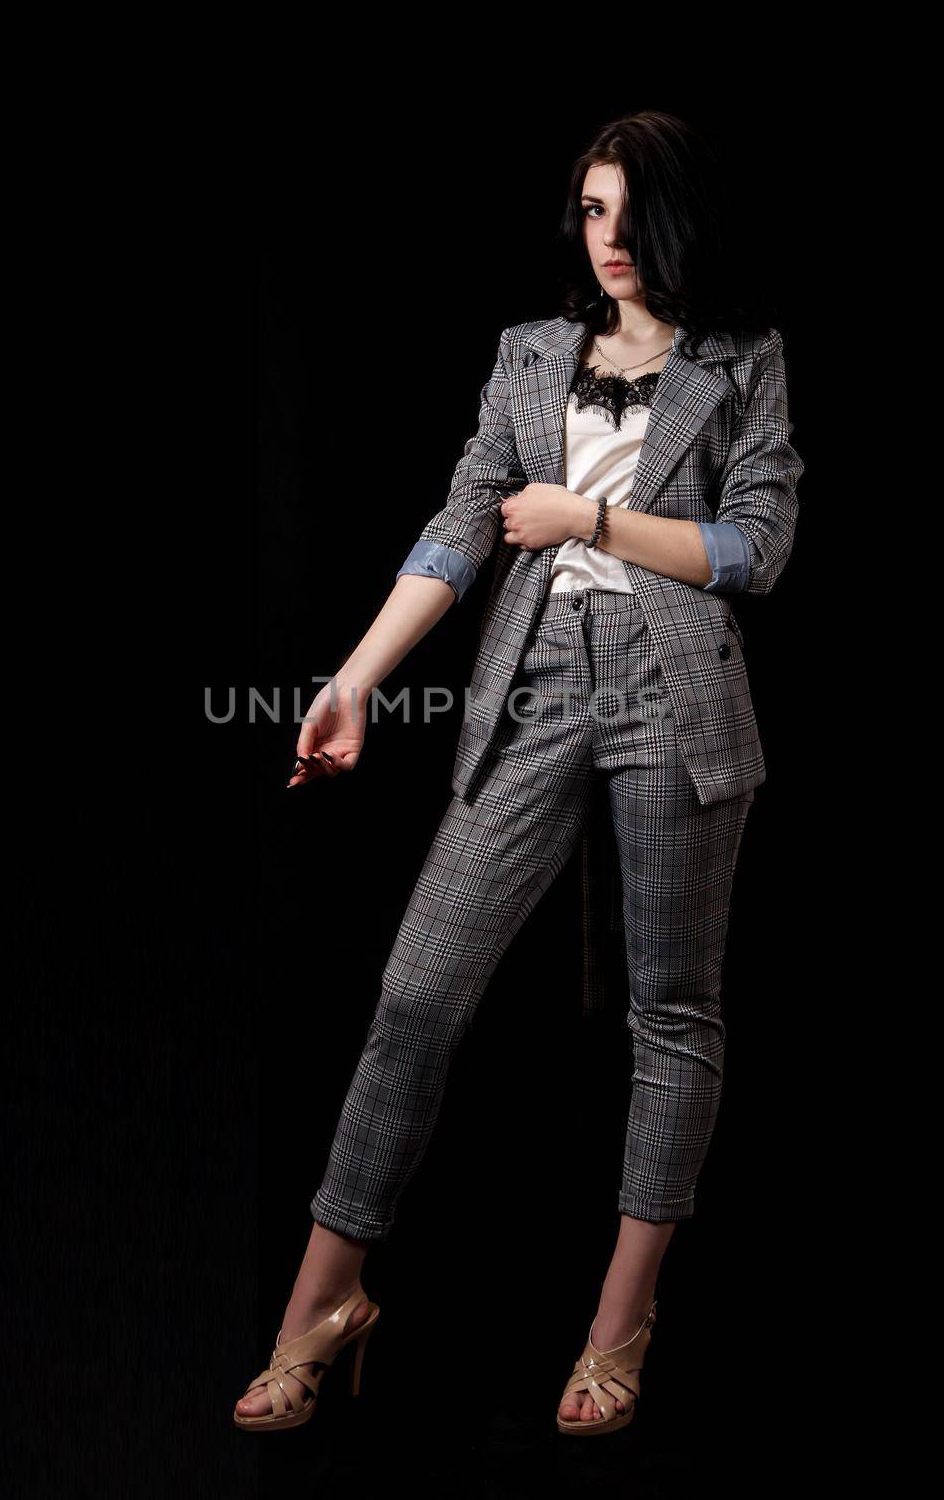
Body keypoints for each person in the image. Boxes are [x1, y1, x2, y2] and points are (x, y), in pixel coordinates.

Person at [234, 110, 804, 1435]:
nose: (607, 241)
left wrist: (593, 517)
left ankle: (620, 1326)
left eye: (630, 212)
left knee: (673, 1012)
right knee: (417, 992)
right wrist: (356, 679)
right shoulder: (529, 357)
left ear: (676, 216)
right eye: (590, 212)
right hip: (534, 678)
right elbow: (458, 528)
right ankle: (323, 1303)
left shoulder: (745, 361)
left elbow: (758, 548)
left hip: (679, 690)